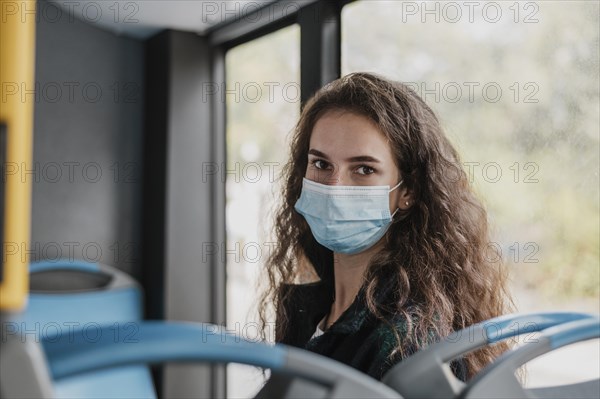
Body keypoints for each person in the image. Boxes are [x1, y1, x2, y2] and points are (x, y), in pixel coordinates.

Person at [258, 72, 513, 383]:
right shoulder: (307, 305)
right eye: (322, 164)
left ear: (408, 191)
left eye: (364, 169)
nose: (335, 188)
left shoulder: (408, 341)